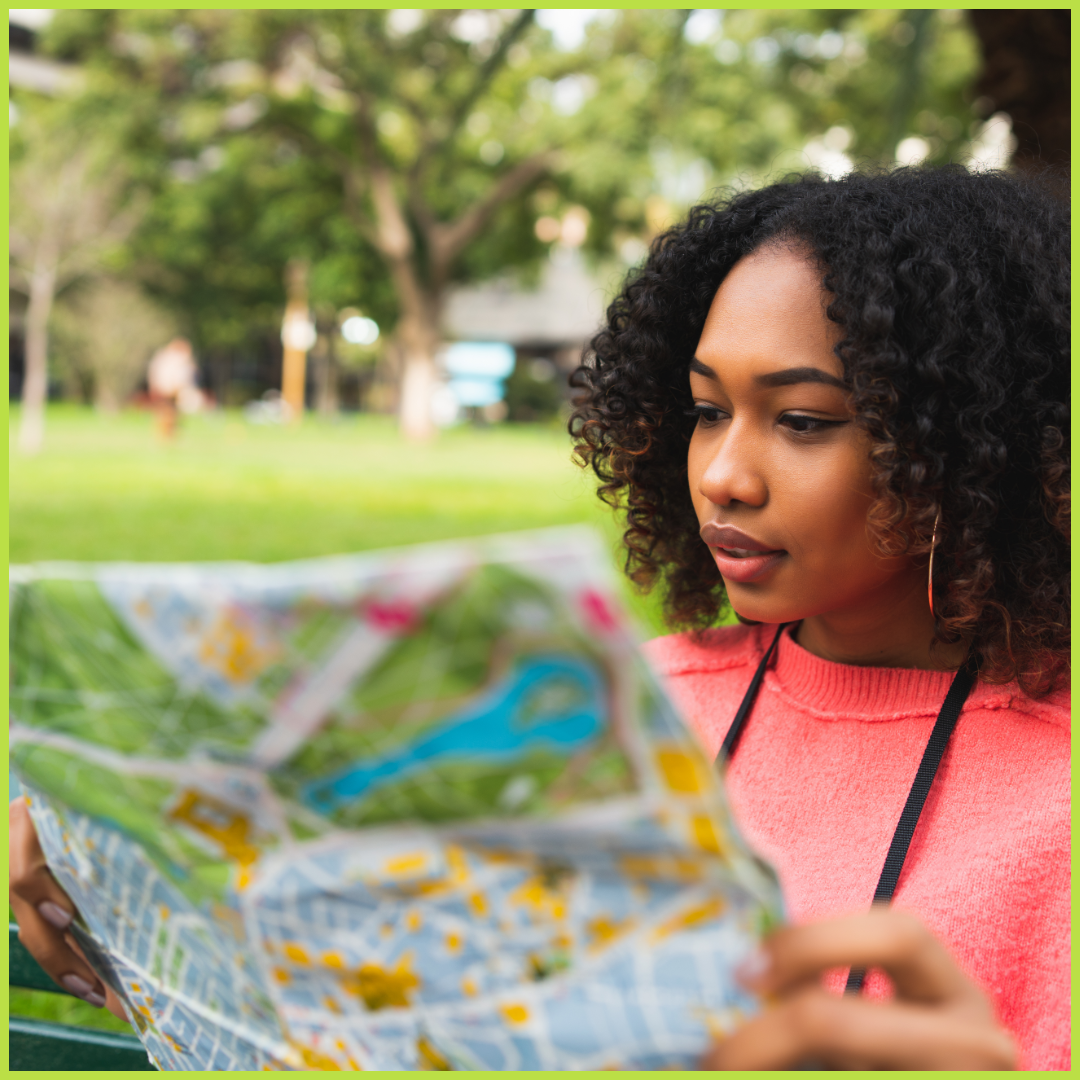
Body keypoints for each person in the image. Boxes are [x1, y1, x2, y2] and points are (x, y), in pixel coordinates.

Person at [568, 165, 1069, 1069]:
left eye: (800, 419)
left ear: (964, 446)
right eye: (707, 410)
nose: (723, 475)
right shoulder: (621, 706)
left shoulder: (1058, 804)